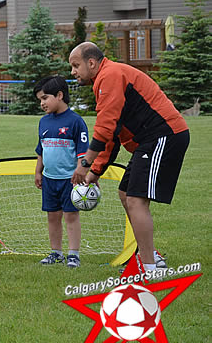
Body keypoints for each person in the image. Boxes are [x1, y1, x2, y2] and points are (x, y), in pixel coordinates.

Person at [69, 42, 189, 272]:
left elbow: (104, 129)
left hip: (164, 135)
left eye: (76, 65)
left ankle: (150, 268)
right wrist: (95, 172)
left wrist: (84, 164)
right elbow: (112, 135)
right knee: (125, 193)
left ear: (91, 63)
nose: (73, 72)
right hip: (150, 140)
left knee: (136, 200)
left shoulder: (110, 75)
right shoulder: (104, 79)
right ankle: (150, 256)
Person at [33, 76, 89, 268]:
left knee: (71, 216)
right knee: (52, 216)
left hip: (69, 180)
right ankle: (56, 252)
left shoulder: (76, 122)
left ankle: (73, 254)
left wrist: (83, 174)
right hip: (49, 179)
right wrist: (38, 172)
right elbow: (41, 150)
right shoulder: (43, 122)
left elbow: (83, 153)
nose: (42, 103)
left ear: (59, 95)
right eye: (40, 100)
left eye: (45, 98)